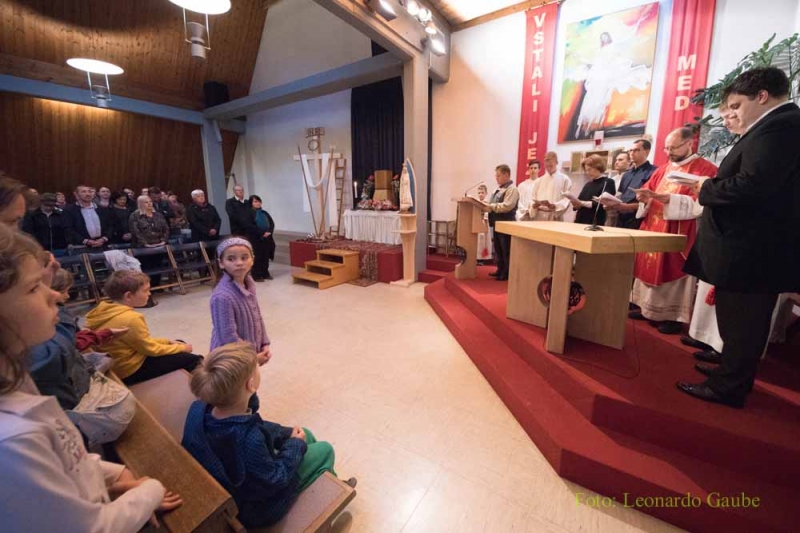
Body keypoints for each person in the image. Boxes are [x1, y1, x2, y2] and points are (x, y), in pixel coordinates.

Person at [0, 225, 181, 532]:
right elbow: (92, 527)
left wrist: (110, 475)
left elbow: (65, 461)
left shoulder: (17, 380)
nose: (54, 294)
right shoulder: (13, 438)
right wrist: (150, 490)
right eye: (33, 288)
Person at [679, 67, 800, 407]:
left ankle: (728, 386)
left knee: (744, 320)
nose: (732, 114)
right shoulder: (775, 125)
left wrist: (706, 188)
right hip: (749, 245)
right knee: (738, 319)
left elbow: (753, 185)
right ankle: (731, 370)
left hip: (753, 247)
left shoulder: (780, 126)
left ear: (762, 96)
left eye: (736, 105)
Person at [182, 341, 355, 529]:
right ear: (251, 385)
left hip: (232, 483)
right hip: (259, 508)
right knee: (325, 450)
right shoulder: (250, 440)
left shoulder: (200, 409)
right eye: (256, 367)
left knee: (305, 434)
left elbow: (255, 423)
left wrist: (287, 435)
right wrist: (294, 445)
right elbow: (275, 479)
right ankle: (328, 496)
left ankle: (326, 476)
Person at [28, 269, 136, 445]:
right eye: (33, 289)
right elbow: (56, 358)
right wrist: (60, 313)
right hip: (71, 407)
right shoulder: (49, 329)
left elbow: (72, 343)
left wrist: (101, 334)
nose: (64, 296)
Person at [629, 127, 717, 335]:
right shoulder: (664, 169)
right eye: (666, 148)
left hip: (680, 230)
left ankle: (672, 316)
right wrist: (644, 198)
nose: (669, 153)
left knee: (674, 268)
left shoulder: (705, 169)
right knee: (648, 265)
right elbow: (650, 189)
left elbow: (703, 204)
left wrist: (672, 200)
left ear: (690, 143)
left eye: (674, 148)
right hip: (653, 227)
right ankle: (647, 309)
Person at [84, 271, 202, 385]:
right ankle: (201, 390)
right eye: (146, 290)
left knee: (178, 343)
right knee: (193, 359)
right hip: (129, 370)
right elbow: (150, 349)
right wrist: (182, 348)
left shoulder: (103, 311)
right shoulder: (131, 318)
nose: (149, 293)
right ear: (128, 296)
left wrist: (168, 342)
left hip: (118, 364)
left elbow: (139, 341)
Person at [209, 237, 272, 360]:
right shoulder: (222, 296)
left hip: (248, 355)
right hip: (231, 360)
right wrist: (252, 358)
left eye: (244, 257)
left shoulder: (249, 285)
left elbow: (257, 317)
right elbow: (228, 338)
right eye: (231, 259)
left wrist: (264, 343)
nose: (239, 263)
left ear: (252, 260)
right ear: (221, 263)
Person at [605, 139, 657, 229]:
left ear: (647, 151)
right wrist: (611, 204)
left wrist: (626, 207)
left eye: (636, 150)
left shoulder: (654, 172)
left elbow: (652, 201)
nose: (632, 153)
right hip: (621, 218)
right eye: (630, 150)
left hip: (639, 218)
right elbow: (622, 196)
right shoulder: (627, 174)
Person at [129, 195, 170, 301]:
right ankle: (146, 288)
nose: (149, 204)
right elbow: (135, 232)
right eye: (146, 202)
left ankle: (156, 285)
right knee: (146, 267)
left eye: (150, 202)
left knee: (157, 265)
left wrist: (163, 241)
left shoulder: (158, 215)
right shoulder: (135, 216)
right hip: (143, 247)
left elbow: (166, 228)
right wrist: (145, 244)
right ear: (140, 204)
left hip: (159, 245)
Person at [484, 164, 519, 281]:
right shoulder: (498, 189)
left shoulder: (512, 189)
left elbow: (507, 206)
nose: (496, 178)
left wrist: (490, 206)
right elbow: (492, 204)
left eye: (498, 175)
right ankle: (500, 269)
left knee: (506, 249)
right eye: (496, 175)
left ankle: (507, 272)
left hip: (506, 223)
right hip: (497, 223)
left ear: (506, 175)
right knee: (498, 249)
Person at [568, 154, 616, 226]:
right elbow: (579, 201)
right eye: (586, 170)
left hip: (595, 221)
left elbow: (601, 204)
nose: (587, 173)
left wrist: (581, 203)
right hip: (580, 219)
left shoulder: (608, 182)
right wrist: (575, 204)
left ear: (598, 167)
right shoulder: (588, 184)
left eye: (589, 169)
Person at [63, 184, 115, 248]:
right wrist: (86, 241)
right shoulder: (69, 210)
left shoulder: (102, 209)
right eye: (83, 192)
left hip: (102, 244)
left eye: (90, 191)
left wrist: (104, 239)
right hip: (81, 246)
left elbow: (110, 226)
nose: (88, 194)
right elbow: (68, 229)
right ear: (76, 194)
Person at [527, 152, 572, 222]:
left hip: (554, 217)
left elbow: (567, 199)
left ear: (556, 162)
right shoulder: (539, 181)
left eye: (551, 165)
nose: (548, 168)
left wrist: (555, 206)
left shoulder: (565, 179)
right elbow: (533, 198)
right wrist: (534, 205)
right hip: (539, 216)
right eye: (546, 166)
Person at [244, 195, 276, 281]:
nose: (258, 203)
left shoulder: (264, 213)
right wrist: (262, 233)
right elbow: (250, 226)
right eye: (255, 201)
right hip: (256, 239)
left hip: (267, 238)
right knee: (257, 257)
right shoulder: (248, 213)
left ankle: (265, 273)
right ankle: (256, 275)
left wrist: (269, 232)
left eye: (259, 201)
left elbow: (271, 223)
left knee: (266, 256)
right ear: (251, 203)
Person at [476, 184, 493, 262]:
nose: (480, 194)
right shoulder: (475, 203)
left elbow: (488, 213)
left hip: (485, 223)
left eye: (482, 192)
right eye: (479, 193)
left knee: (485, 241)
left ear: (486, 193)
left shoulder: (487, 203)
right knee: (478, 242)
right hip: (477, 223)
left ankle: (484, 258)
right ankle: (477, 257)